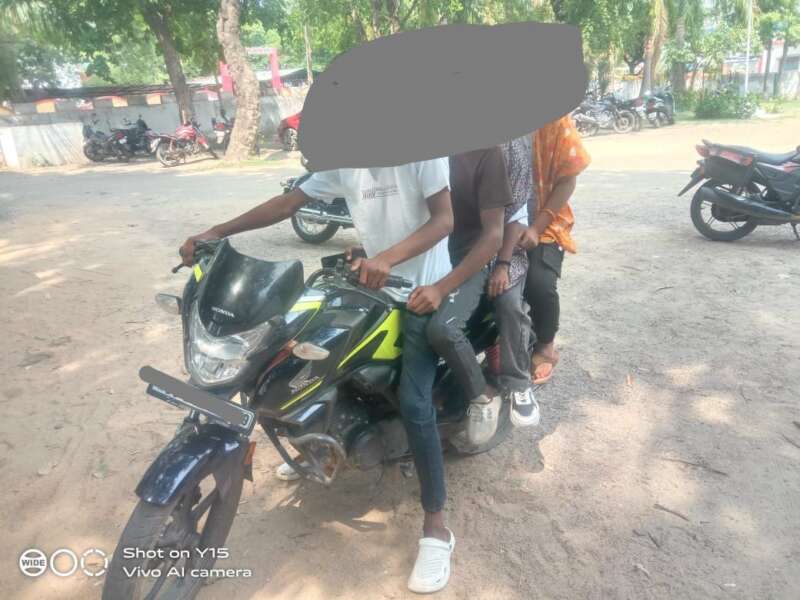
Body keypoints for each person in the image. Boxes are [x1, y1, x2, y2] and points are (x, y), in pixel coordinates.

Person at [179, 160, 458, 594]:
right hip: (370, 282)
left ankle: (436, 528)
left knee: (415, 402)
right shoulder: (347, 159)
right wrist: (217, 231)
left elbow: (444, 221)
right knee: (290, 354)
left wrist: (386, 258)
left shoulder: (424, 152)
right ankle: (318, 440)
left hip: (423, 291)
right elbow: (288, 203)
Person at [412, 146, 519, 444]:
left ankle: (483, 395)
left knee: (443, 329)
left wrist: (441, 288)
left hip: (467, 259)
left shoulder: (485, 152)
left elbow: (493, 235)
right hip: (421, 255)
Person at [518, 115, 591, 384]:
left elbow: (568, 180)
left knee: (539, 282)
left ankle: (546, 345)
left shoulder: (555, 121)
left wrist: (536, 228)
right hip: (498, 221)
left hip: (545, 221)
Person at [486, 135, 539, 426]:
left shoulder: (513, 144)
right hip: (463, 249)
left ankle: (519, 383)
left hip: (505, 250)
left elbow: (517, 211)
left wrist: (503, 264)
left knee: (508, 304)